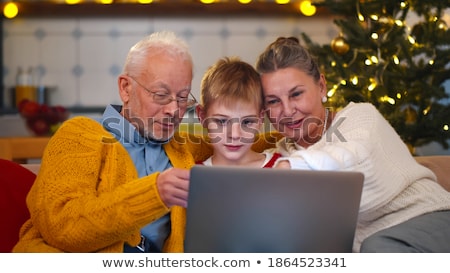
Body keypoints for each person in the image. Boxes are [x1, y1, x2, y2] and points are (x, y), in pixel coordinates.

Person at [13, 31, 212, 253]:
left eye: (183, 97)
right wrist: (154, 193)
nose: (174, 110)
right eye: (161, 94)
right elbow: (61, 226)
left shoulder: (182, 145)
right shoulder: (78, 135)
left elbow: (246, 141)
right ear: (126, 88)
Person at [255, 36, 450, 252]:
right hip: (370, 248)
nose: (288, 110)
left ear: (321, 86)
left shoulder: (359, 117)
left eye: (296, 94)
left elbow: (353, 156)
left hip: (430, 218)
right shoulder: (279, 156)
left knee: (377, 247)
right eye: (273, 101)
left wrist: (292, 167)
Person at [196, 56, 281, 167]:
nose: (235, 135)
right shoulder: (190, 176)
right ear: (202, 116)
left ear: (261, 119)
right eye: (222, 121)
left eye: (246, 122)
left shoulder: (283, 166)